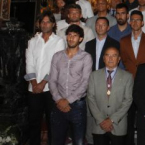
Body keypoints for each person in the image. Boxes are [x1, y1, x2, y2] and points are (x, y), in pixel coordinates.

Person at [24, 11, 65, 145]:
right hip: (33, 88)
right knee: (34, 121)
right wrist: (35, 83)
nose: (45, 24)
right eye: (43, 22)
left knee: (52, 122)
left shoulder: (59, 41)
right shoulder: (32, 41)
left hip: (50, 88)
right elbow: (29, 63)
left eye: (48, 22)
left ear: (53, 24)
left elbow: (56, 65)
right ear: (39, 24)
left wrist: (42, 84)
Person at [49, 24, 93, 145]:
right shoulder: (57, 56)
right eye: (69, 35)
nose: (71, 38)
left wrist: (67, 100)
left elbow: (85, 82)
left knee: (78, 140)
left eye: (75, 35)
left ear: (80, 39)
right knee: (56, 140)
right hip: (58, 104)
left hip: (78, 105)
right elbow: (52, 80)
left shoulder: (86, 57)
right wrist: (59, 100)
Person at [119, 10, 145, 145]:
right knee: (128, 118)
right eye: (132, 20)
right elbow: (123, 61)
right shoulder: (123, 41)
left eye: (138, 20)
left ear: (143, 22)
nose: (135, 22)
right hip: (128, 84)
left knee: (144, 117)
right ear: (129, 22)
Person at [87, 47, 134, 145]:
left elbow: (128, 100)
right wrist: (101, 120)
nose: (111, 58)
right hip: (99, 124)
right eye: (108, 55)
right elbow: (90, 98)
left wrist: (111, 120)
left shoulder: (128, 77)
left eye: (114, 55)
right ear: (103, 58)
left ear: (119, 58)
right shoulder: (94, 75)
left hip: (118, 124)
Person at [85, 17, 120, 144]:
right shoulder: (88, 44)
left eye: (103, 25)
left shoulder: (115, 43)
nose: (100, 27)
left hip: (109, 83)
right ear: (95, 27)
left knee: (109, 113)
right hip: (92, 84)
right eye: (98, 25)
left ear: (108, 27)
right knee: (92, 116)